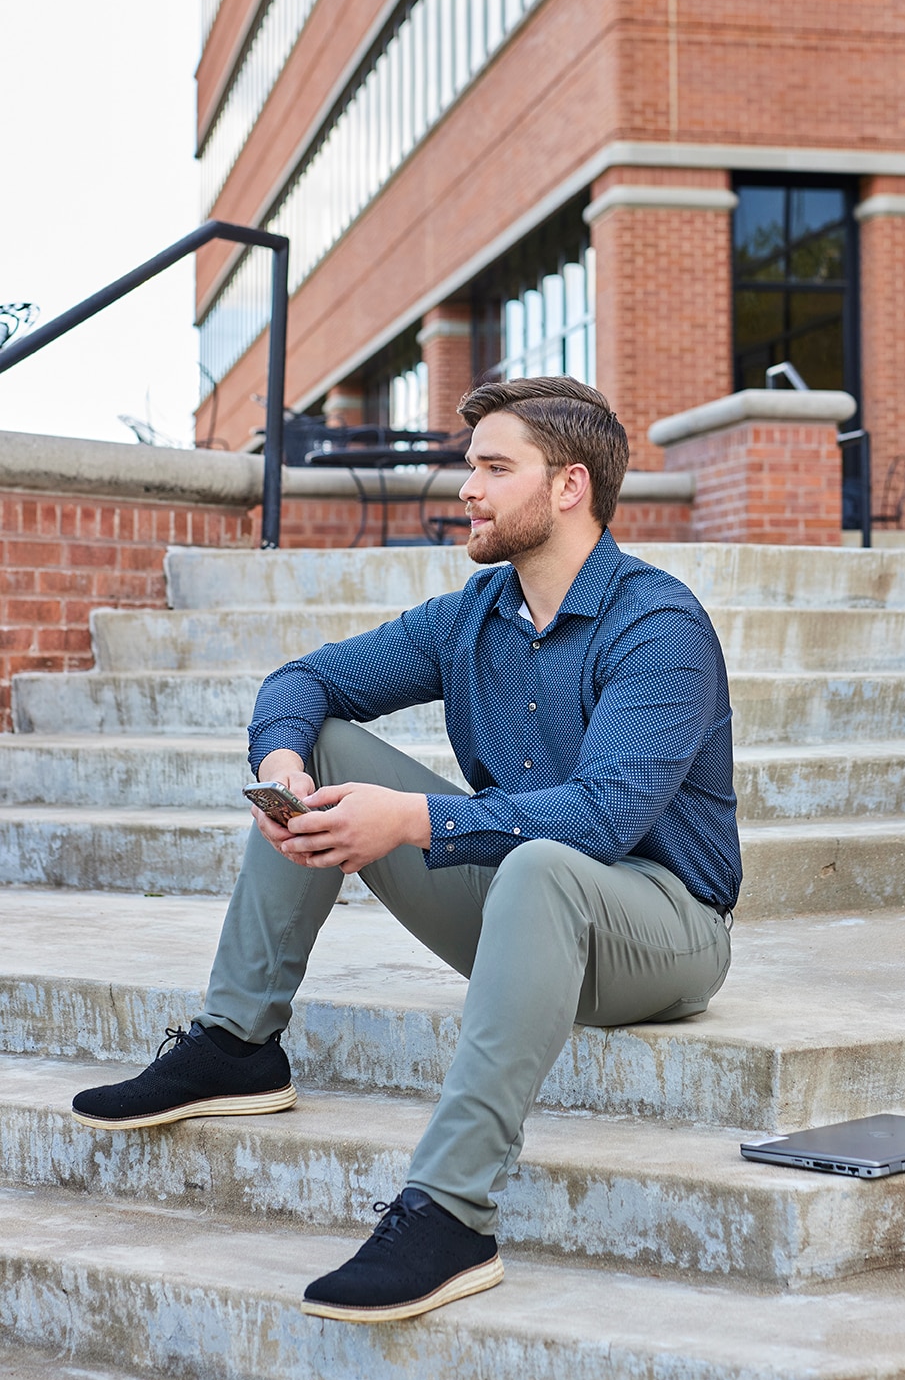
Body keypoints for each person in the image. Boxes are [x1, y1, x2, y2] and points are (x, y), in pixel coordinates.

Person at [72, 377, 740, 1323]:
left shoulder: (657, 628)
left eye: (495, 468)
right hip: (518, 909)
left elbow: (602, 817)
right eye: (471, 467)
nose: (467, 488)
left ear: (569, 486)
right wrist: (283, 766)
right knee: (325, 746)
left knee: (543, 863)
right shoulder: (472, 616)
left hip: (662, 929)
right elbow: (303, 680)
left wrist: (415, 820)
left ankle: (451, 1215)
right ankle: (236, 1045)